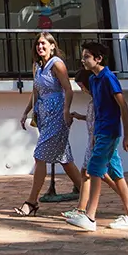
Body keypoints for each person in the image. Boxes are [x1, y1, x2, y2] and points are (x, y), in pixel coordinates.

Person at [65, 41, 128, 231]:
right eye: (83, 56)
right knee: (116, 173)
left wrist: (127, 135)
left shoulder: (109, 78)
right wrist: (94, 135)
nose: (83, 60)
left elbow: (122, 105)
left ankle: (90, 217)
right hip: (101, 132)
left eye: (86, 57)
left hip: (110, 132)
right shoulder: (93, 79)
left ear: (98, 59)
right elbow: (98, 110)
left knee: (94, 170)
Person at [14, 33, 86, 215]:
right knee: (65, 159)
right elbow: (35, 92)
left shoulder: (57, 64)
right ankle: (87, 194)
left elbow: (68, 89)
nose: (40, 47)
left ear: (52, 46)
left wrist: (66, 111)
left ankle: (31, 202)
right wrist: (26, 112)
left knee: (40, 155)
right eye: (38, 44)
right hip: (44, 116)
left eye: (44, 44)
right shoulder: (37, 67)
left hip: (58, 116)